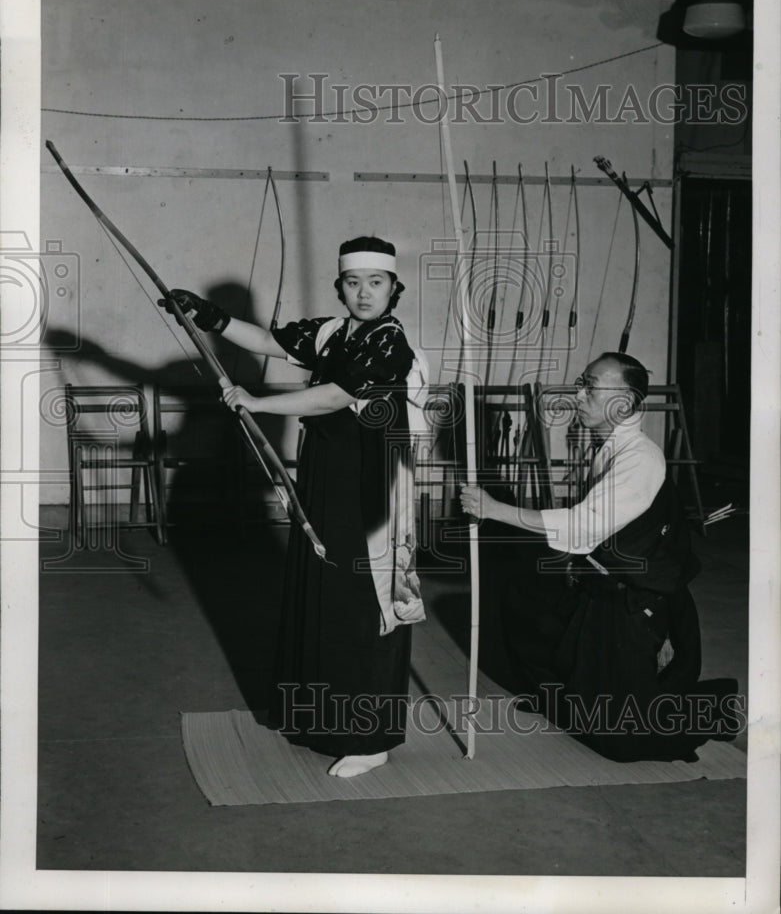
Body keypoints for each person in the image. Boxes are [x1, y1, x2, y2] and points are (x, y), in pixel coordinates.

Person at [161, 236, 426, 777]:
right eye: (353, 282)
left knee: (363, 601)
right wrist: (208, 316)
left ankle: (372, 737)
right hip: (328, 479)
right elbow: (269, 340)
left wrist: (257, 401)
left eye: (376, 283)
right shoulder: (332, 331)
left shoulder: (390, 341)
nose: (364, 293)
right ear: (341, 287)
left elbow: (337, 395)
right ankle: (325, 720)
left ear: (394, 288)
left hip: (373, 491)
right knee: (324, 592)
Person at [461, 352, 740, 762]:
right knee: (522, 595)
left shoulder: (640, 458)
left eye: (590, 385)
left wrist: (495, 509)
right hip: (601, 585)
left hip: (641, 600)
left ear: (624, 403)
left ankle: (712, 706)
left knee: (623, 740)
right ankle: (563, 697)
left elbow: (585, 526)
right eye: (581, 382)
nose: (578, 394)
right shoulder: (608, 446)